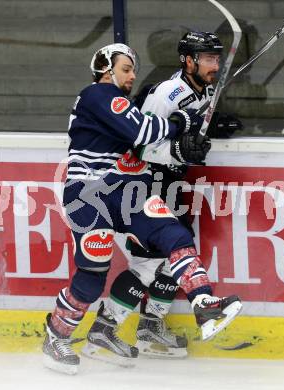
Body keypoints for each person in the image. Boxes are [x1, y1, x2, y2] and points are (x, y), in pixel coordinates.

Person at [42, 42, 221, 375]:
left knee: (173, 232)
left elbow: (143, 145)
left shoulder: (120, 104)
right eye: (126, 68)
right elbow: (144, 130)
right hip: (88, 195)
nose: (133, 75)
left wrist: (183, 148)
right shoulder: (98, 95)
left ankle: (205, 302)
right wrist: (181, 121)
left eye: (134, 69)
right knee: (92, 279)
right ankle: (57, 334)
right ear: (107, 69)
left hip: (126, 190)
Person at [82, 32, 243, 363]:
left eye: (217, 58)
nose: (215, 64)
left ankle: (150, 325)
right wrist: (179, 148)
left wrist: (210, 129)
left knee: (179, 254)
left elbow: (193, 127)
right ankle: (103, 330)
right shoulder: (167, 94)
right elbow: (137, 145)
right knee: (149, 262)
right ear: (188, 60)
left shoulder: (206, 89)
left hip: (172, 182)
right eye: (208, 58)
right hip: (147, 181)